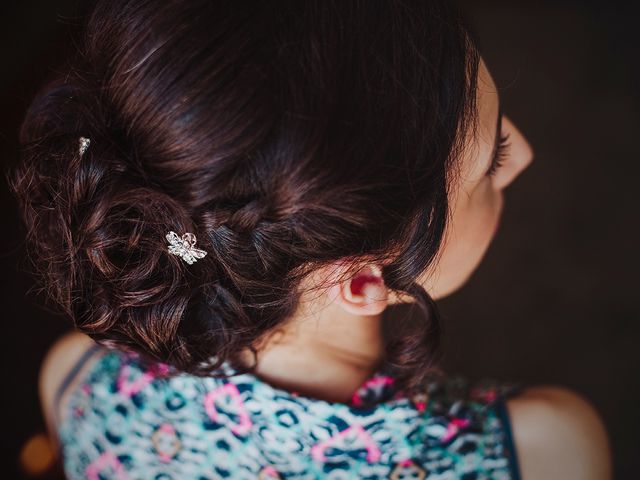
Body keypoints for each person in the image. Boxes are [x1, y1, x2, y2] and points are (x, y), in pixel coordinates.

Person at [8, 0, 611, 478]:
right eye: (492, 160)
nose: (524, 155)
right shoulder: (536, 453)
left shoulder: (77, 382)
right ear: (362, 279)